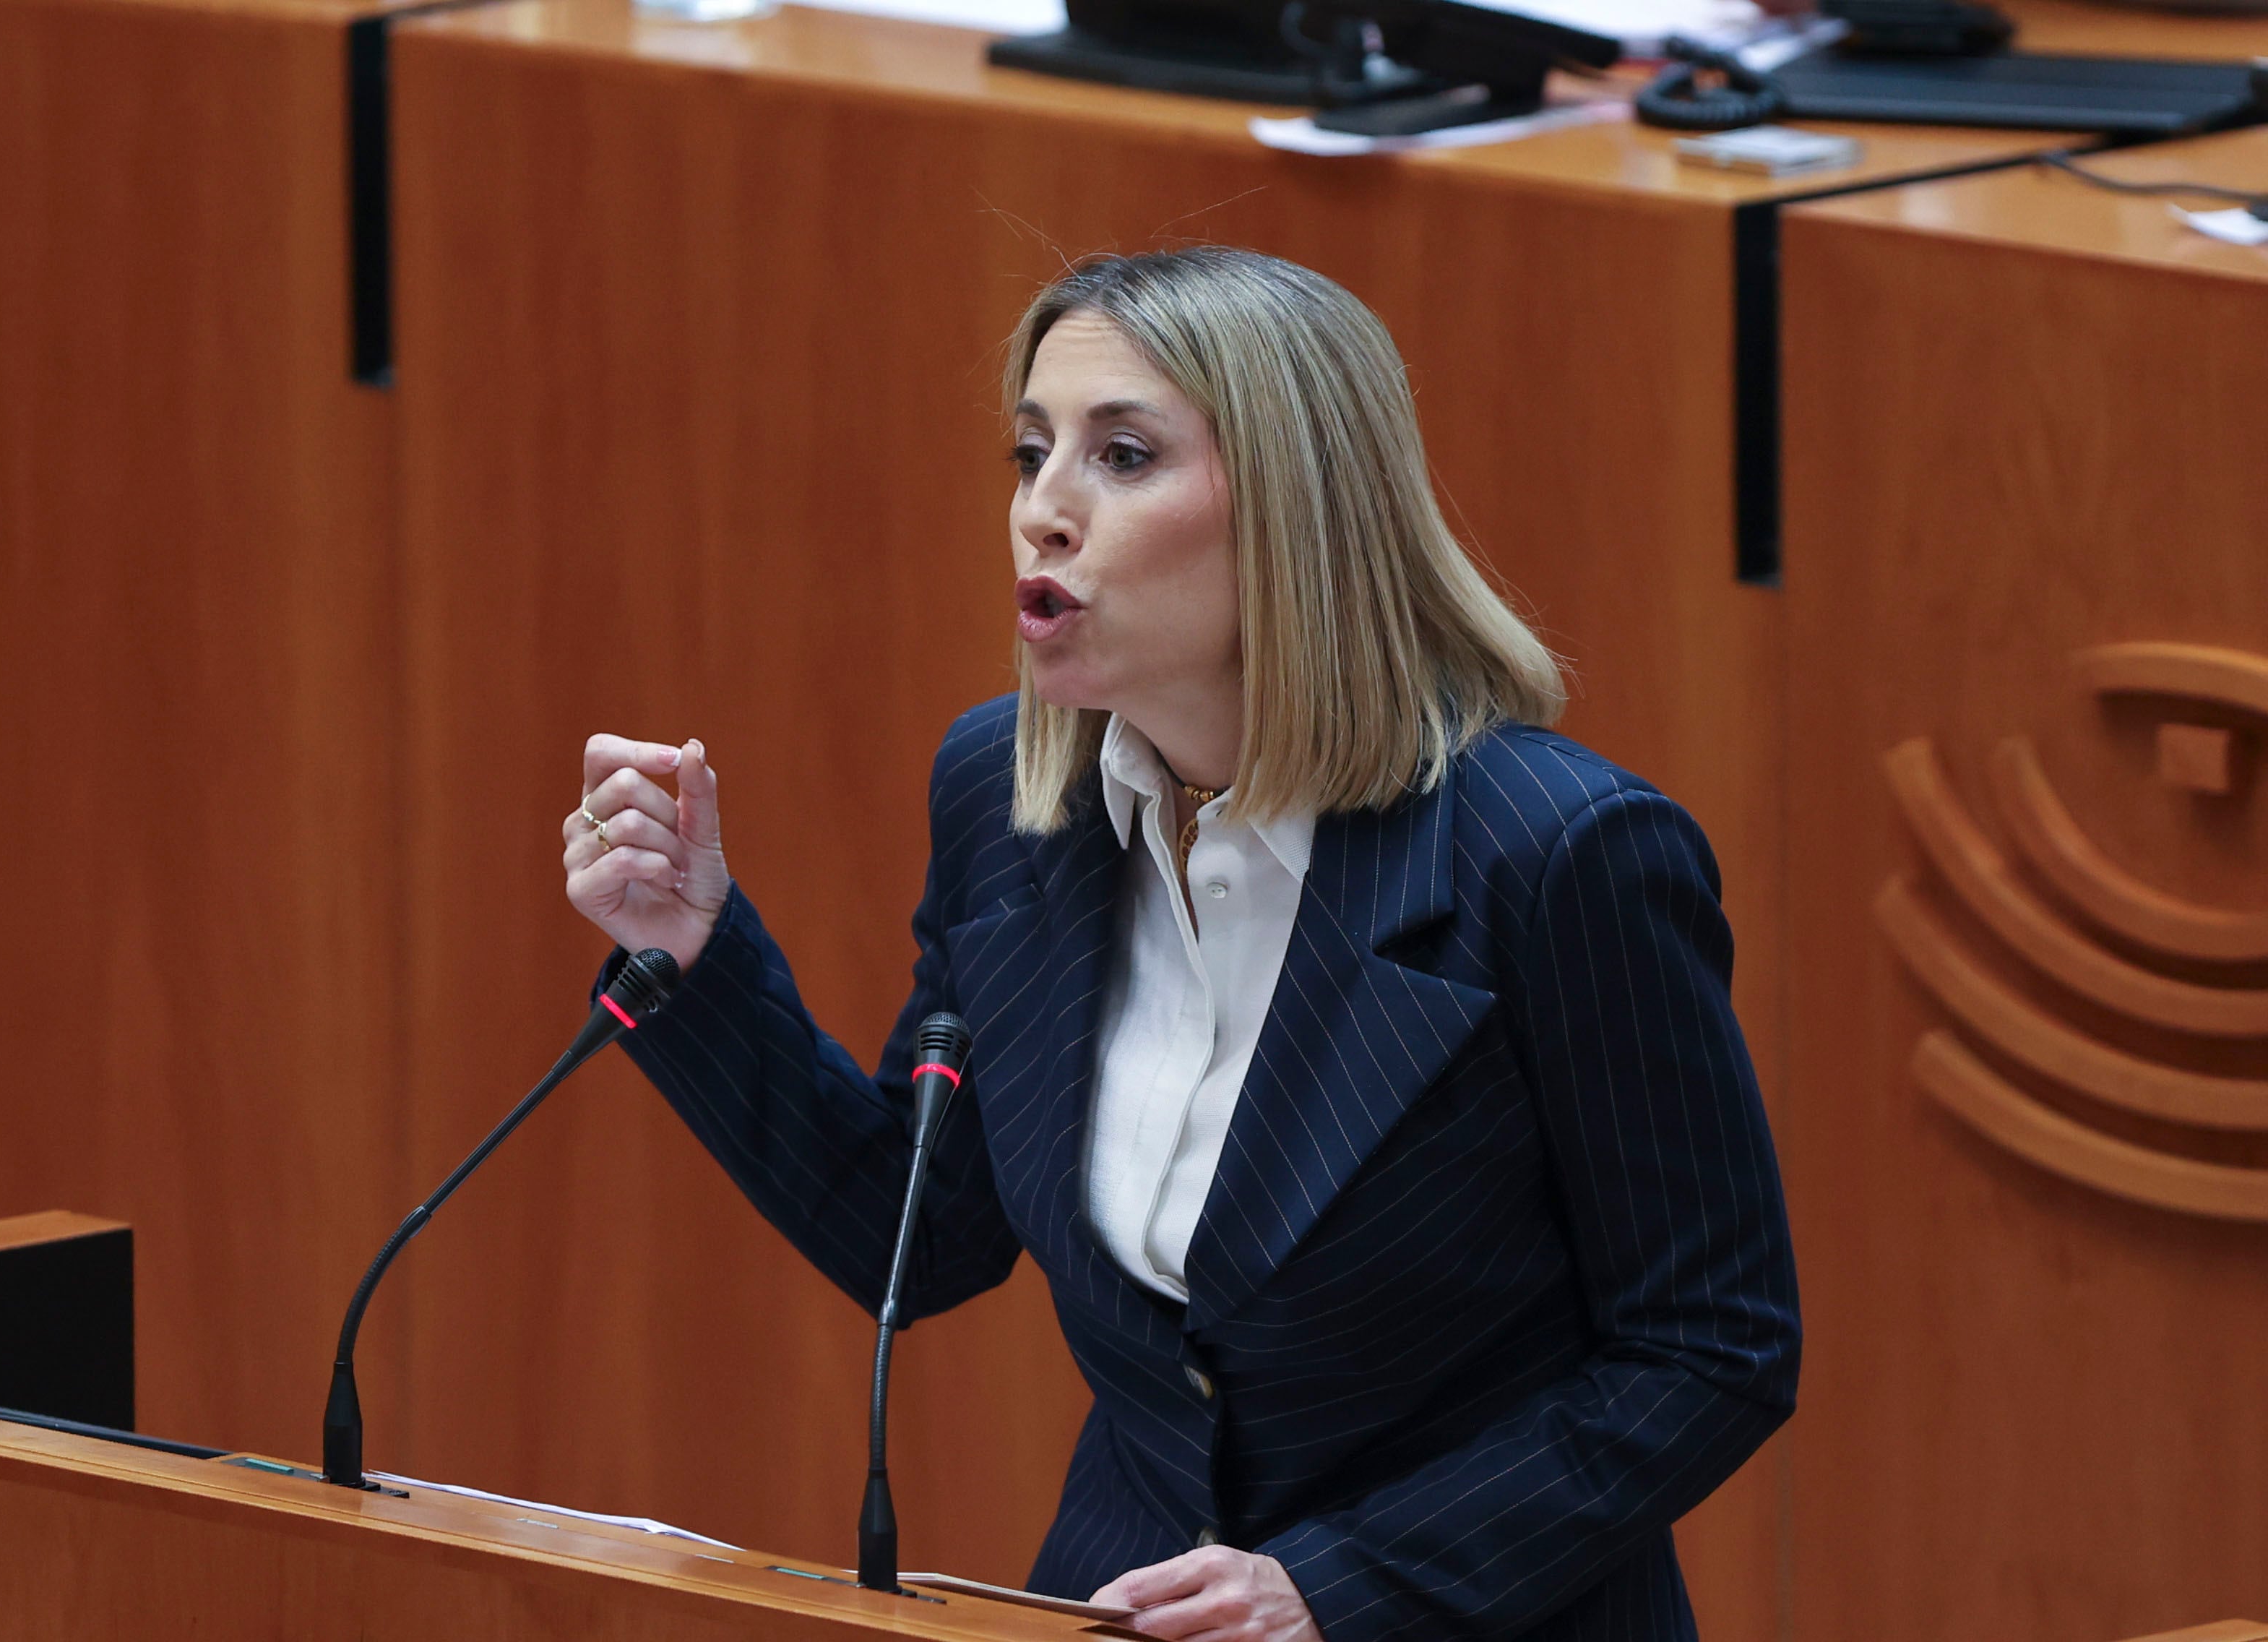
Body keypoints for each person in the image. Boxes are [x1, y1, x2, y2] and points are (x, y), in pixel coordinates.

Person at [559, 247, 1798, 1642]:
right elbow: (917, 1233)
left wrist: (1339, 1585)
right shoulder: (1009, 801)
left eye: (1123, 455)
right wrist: (691, 956)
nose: (1043, 512)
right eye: (1031, 455)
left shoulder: (1556, 855)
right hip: (1124, 1598)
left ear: (1298, 509)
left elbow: (1710, 1348)